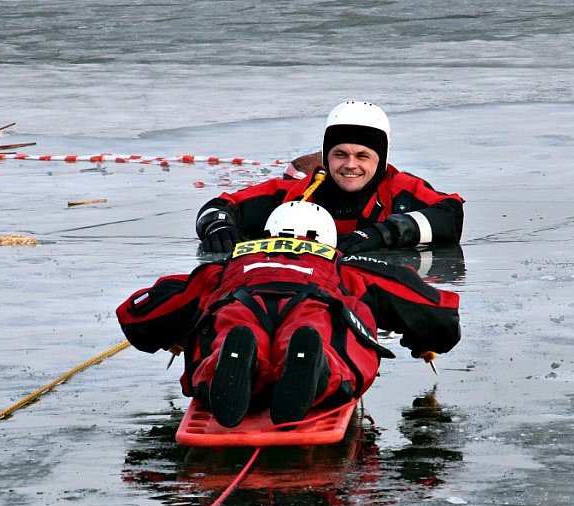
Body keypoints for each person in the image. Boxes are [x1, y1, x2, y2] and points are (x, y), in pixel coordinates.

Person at [118, 202, 461, 428]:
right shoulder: (346, 266)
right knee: (321, 333)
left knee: (229, 328)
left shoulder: (225, 267)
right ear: (327, 240)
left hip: (241, 297)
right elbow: (438, 312)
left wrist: (170, 333)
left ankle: (230, 361)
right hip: (316, 299)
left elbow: (139, 315)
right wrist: (425, 340)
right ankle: (317, 369)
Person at [196, 101, 465, 255]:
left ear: (381, 159)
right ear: (326, 156)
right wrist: (218, 228)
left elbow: (451, 214)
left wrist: (382, 233)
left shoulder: (400, 190)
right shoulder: (294, 194)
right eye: (340, 154)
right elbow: (217, 208)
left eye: (362, 156)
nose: (350, 165)